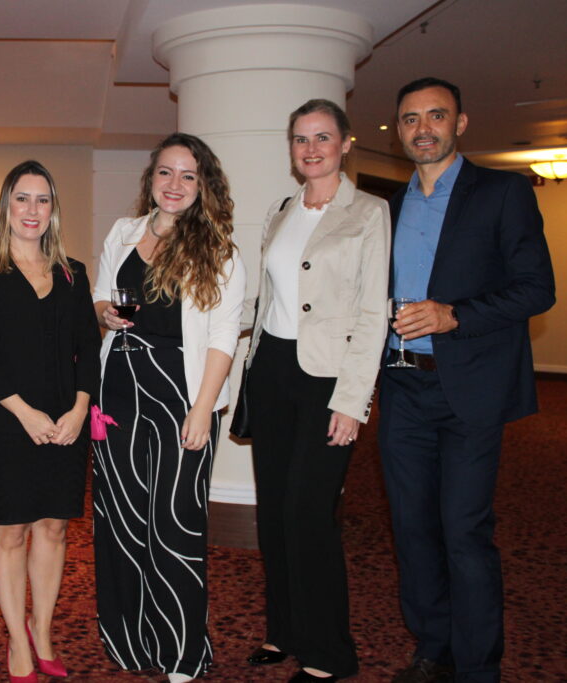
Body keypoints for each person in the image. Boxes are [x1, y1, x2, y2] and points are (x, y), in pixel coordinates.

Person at [380, 78, 555, 683]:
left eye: (436, 116)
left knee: (464, 531)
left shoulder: (503, 192)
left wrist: (457, 315)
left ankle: (480, 666)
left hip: (470, 393)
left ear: (460, 123)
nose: (422, 127)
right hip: (402, 390)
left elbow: (538, 288)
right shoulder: (390, 207)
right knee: (412, 529)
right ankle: (434, 647)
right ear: (398, 129)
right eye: (410, 119)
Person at [240, 99, 390, 682]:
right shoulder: (282, 209)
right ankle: (285, 632)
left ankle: (330, 652)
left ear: (346, 143)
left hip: (327, 378)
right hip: (273, 370)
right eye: (301, 139)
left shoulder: (370, 211)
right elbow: (269, 298)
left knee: (309, 512)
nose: (311, 148)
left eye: (323, 137)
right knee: (275, 511)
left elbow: (372, 313)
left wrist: (353, 400)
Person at [91, 133, 245, 683]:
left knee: (175, 523)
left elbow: (224, 336)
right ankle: (131, 639)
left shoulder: (220, 249)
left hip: (181, 394)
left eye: (187, 175)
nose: (174, 184)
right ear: (150, 179)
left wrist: (203, 410)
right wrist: (106, 313)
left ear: (203, 185)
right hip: (119, 390)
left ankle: (183, 650)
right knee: (123, 521)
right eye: (165, 173)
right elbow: (102, 296)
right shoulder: (124, 231)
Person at [0, 160, 100, 683]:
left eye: (42, 200)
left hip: (66, 422)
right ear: (6, 206)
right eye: (22, 198)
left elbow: (88, 346)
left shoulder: (72, 273)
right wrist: (25, 413)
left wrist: (80, 409)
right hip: (6, 422)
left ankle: (42, 630)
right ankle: (16, 639)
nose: (32, 210)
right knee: (11, 533)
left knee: (54, 528)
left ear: (53, 210)